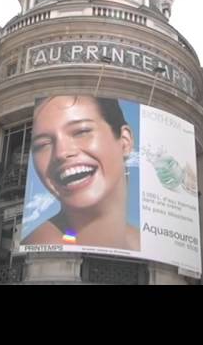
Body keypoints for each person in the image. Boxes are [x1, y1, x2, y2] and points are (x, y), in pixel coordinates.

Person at [21, 95, 140, 251]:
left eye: (81, 132)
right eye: (42, 144)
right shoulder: (42, 245)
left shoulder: (145, 243)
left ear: (125, 141)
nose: (61, 153)